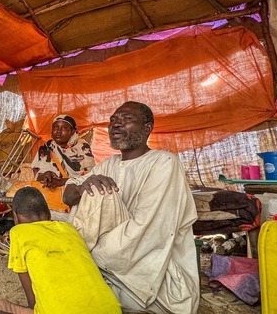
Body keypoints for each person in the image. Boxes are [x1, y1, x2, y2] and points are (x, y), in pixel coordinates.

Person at [63, 101, 200, 314]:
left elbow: (148, 231)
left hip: (146, 274)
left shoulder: (164, 162)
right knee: (91, 186)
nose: (115, 125)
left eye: (126, 120)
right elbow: (68, 193)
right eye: (113, 121)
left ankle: (79, 264)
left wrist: (86, 259)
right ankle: (80, 265)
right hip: (105, 259)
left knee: (98, 190)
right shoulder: (108, 164)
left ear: (147, 128)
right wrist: (82, 188)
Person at [0, 186, 121, 314]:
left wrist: (30, 308)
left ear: (16, 217)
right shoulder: (69, 229)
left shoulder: (19, 233)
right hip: (111, 309)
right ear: (48, 213)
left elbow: (31, 296)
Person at [6, 115, 95, 214]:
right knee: (15, 191)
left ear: (73, 131)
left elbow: (88, 179)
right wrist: (46, 176)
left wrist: (62, 181)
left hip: (71, 193)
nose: (58, 131)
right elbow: (37, 174)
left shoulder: (82, 148)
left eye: (64, 128)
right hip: (49, 189)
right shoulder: (47, 146)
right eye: (55, 127)